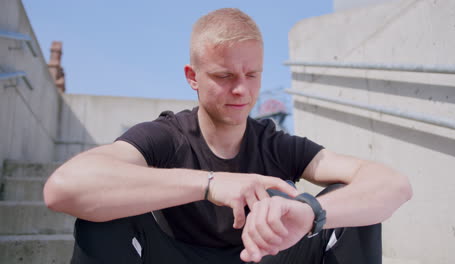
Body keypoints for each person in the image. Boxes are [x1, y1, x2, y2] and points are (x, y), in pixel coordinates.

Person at [44, 8, 412, 264]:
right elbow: (62, 189)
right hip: (176, 257)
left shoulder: (275, 142)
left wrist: (311, 212)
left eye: (252, 75)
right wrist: (210, 183)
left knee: (350, 208)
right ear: (193, 77)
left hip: (263, 259)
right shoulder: (167, 136)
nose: (241, 90)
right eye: (224, 76)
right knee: (104, 210)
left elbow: (392, 185)